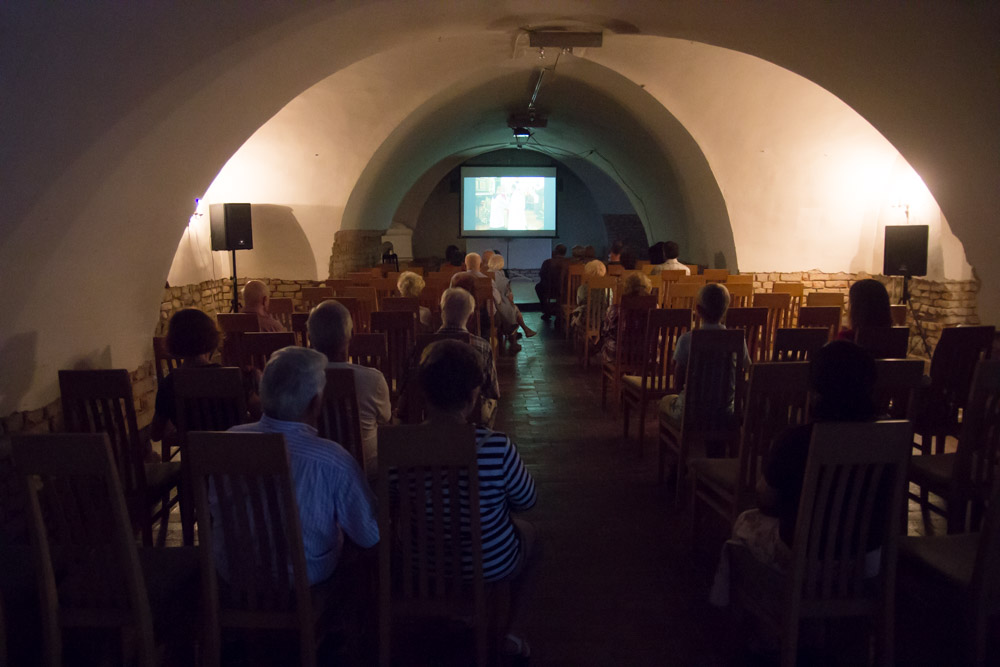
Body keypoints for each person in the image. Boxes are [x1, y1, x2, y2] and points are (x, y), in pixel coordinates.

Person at [713, 341, 879, 589]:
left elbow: (766, 497)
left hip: (809, 555)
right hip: (866, 558)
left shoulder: (798, 439)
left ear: (816, 389)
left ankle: (750, 603)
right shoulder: (887, 437)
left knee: (746, 522)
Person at [413, 339, 537, 658]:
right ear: (473, 396)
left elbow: (394, 499)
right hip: (489, 562)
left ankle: (459, 614)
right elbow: (527, 499)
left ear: (424, 393)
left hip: (422, 565)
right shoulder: (495, 445)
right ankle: (512, 634)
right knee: (529, 536)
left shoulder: (400, 446)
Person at [224, 346, 379, 585]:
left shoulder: (226, 442)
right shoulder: (332, 458)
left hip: (233, 572)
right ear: (316, 402)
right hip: (303, 577)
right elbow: (369, 535)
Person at [306, 300, 391, 476]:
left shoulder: (299, 378)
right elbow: (385, 419)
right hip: (365, 473)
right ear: (350, 335)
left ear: (310, 338)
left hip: (316, 470)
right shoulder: (372, 378)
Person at [659, 283, 750, 426]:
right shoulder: (738, 340)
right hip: (724, 413)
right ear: (726, 310)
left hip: (692, 413)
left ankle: (675, 445)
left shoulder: (687, 339)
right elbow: (744, 372)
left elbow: (678, 382)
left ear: (698, 310)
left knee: (665, 401)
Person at [151, 308, 224, 444]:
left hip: (192, 461)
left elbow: (156, 433)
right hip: (231, 458)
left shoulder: (169, 383)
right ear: (211, 337)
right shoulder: (228, 377)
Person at [438, 287, 500, 424]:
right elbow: (492, 391)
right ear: (471, 317)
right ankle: (483, 438)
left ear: (441, 312)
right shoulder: (482, 346)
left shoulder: (422, 344)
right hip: (470, 414)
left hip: (432, 415)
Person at [596, 272, 652, 364]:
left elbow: (606, 331)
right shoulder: (655, 309)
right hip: (646, 356)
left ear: (626, 288)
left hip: (619, 355)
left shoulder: (615, 309)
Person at [488, 253, 537, 352]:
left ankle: (524, 330)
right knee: (513, 310)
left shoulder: (486, 274)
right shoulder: (501, 276)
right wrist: (511, 302)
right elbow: (508, 295)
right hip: (499, 303)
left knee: (513, 309)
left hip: (491, 304)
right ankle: (514, 341)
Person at [570, 259, 607, 333]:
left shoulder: (583, 288)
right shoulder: (608, 288)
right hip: (604, 319)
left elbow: (579, 302)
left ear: (587, 273)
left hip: (586, 320)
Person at [535, 244, 568, 320]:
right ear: (565, 253)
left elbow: (541, 274)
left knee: (538, 287)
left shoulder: (547, 262)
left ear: (555, 252)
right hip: (566, 290)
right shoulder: (568, 263)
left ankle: (546, 311)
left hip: (549, 289)